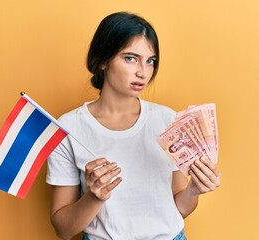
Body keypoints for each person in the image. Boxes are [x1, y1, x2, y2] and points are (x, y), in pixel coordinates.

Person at [47, 11, 221, 240]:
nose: (143, 72)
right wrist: (94, 196)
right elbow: (63, 229)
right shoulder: (68, 128)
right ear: (101, 61)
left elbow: (179, 209)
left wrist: (193, 190)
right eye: (130, 58)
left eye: (150, 61)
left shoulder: (166, 120)